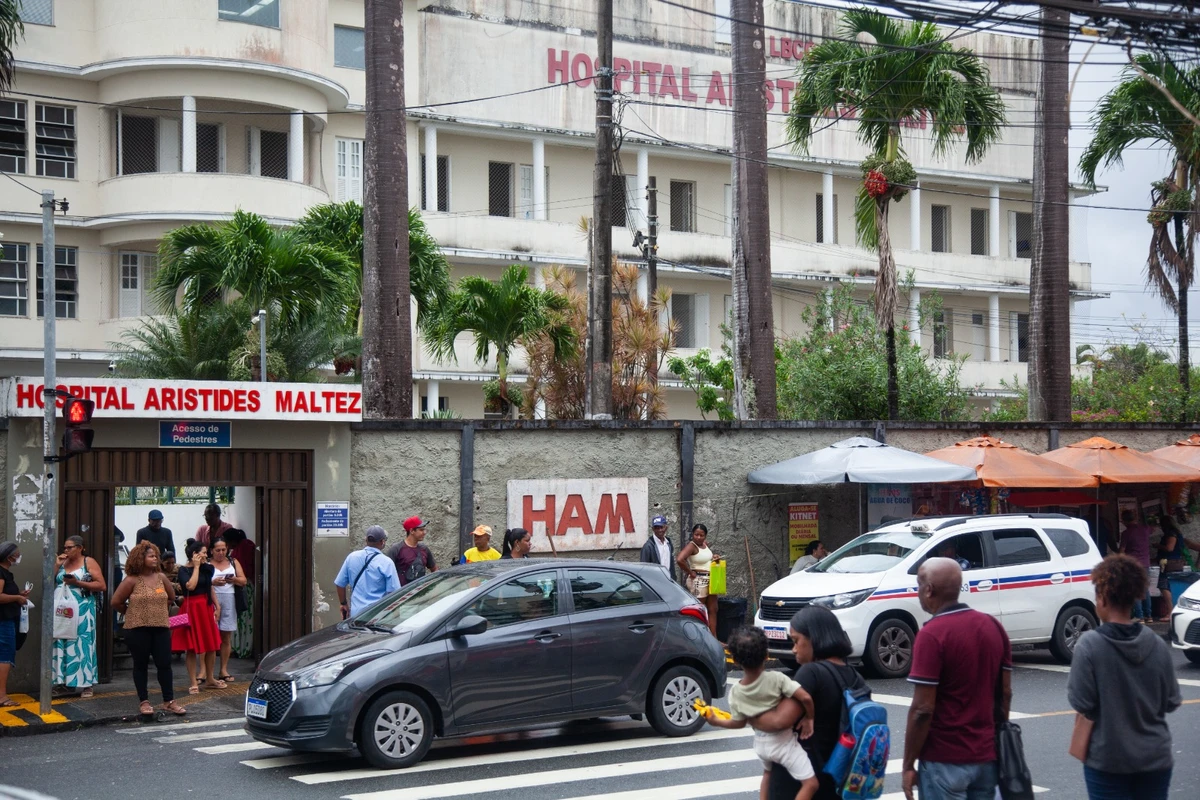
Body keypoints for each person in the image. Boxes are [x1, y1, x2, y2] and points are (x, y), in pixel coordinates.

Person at [1067, 554, 1181, 800]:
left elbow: (1082, 703)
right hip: (1155, 758)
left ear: (1103, 597)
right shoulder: (1157, 645)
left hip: (1108, 760)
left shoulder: (1089, 645)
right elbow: (1171, 701)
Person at [902, 557, 1011, 800]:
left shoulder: (932, 634)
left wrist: (908, 764)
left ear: (929, 590)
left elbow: (922, 709)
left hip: (944, 758)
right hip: (986, 756)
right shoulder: (992, 626)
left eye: (919, 584)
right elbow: (1005, 694)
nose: (917, 591)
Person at [761, 606, 870, 800]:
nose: (794, 649)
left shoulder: (811, 672)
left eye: (796, 641)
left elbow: (779, 721)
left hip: (801, 781)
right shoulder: (855, 677)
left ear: (815, 638)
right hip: (837, 778)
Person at [701, 627, 819, 800]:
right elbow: (806, 698)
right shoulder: (776, 679)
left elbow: (739, 723)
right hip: (782, 743)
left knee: (767, 774)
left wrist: (716, 721)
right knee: (811, 783)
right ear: (766, 655)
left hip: (761, 745)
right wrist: (809, 718)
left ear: (734, 660)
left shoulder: (736, 692)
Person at [111, 542, 186, 717]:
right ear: (140, 559)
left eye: (156, 556)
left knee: (164, 665)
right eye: (151, 556)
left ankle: (169, 701)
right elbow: (116, 601)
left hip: (160, 627)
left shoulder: (162, 578)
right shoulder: (131, 580)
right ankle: (144, 701)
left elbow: (171, 597)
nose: (155, 559)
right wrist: (131, 612)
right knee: (141, 665)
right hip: (137, 629)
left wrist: (157, 609)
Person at [52, 535, 106, 698]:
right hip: (62, 608)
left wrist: (78, 583)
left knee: (81, 642)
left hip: (82, 608)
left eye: (70, 547)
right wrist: (57, 565)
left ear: (80, 547)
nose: (66, 550)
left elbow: (101, 585)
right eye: (65, 548)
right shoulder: (62, 562)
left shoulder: (88, 562)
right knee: (61, 640)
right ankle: (64, 683)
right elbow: (48, 581)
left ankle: (86, 684)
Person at [172, 540, 224, 694]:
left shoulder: (208, 568)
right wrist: (195, 567)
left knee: (211, 645)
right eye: (203, 552)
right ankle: (194, 682)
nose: (206, 555)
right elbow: (191, 586)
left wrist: (217, 606)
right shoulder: (183, 570)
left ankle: (210, 679)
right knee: (191, 648)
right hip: (192, 608)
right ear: (194, 554)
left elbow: (209, 587)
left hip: (206, 607)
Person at [336, 526, 401, 617]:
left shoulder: (352, 557)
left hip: (356, 615)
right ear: (382, 542)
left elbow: (340, 584)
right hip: (378, 616)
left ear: (366, 540)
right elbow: (394, 593)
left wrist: (343, 603)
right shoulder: (387, 562)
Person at [208, 538, 246, 682]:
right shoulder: (206, 563)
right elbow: (200, 581)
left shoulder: (233, 562)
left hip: (229, 598)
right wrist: (213, 582)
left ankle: (223, 669)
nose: (221, 553)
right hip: (212, 599)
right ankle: (205, 672)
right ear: (212, 550)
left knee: (226, 636)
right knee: (210, 636)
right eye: (218, 550)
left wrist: (234, 580)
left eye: (224, 549)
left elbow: (243, 581)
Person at [0, 541, 31, 708]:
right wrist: (17, 598)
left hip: (8, 618)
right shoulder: (1, 572)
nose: (19, 557)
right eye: (17, 554)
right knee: (5, 656)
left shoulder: (6, 573)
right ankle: (2, 696)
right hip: (3, 620)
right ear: (9, 556)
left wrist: (18, 593)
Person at [677, 523, 719, 635]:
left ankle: (714, 639)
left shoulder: (705, 545)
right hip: (698, 581)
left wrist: (714, 559)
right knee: (699, 611)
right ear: (692, 535)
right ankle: (699, 638)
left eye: (701, 535)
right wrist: (690, 572)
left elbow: (705, 559)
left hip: (711, 580)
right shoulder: (692, 546)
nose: (698, 537)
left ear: (705, 536)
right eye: (696, 535)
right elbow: (680, 559)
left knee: (713, 609)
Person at [1153, 514, 1198, 620]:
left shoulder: (1171, 534)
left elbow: (1169, 548)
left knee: (1164, 587)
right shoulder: (1178, 533)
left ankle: (1170, 612)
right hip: (1174, 562)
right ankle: (1173, 611)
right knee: (1170, 587)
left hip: (1169, 563)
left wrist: (1158, 546)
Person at [220, 528, 255, 659]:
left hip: (244, 587)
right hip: (240, 587)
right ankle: (239, 647)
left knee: (243, 618)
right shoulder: (239, 549)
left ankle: (242, 648)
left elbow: (246, 571)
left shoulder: (245, 547)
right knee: (240, 619)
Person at [1119, 510, 1154, 623]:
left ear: (1124, 521)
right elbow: (1152, 528)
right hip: (1146, 564)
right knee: (1145, 589)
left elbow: (1122, 551)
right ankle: (1149, 616)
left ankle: (1139, 616)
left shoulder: (1126, 533)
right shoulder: (1145, 529)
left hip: (1133, 564)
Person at [640, 515, 676, 579]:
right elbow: (643, 567)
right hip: (655, 581)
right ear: (653, 529)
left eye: (661, 527)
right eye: (656, 528)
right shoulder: (648, 546)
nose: (659, 530)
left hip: (668, 580)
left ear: (666, 527)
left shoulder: (668, 543)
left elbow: (671, 564)